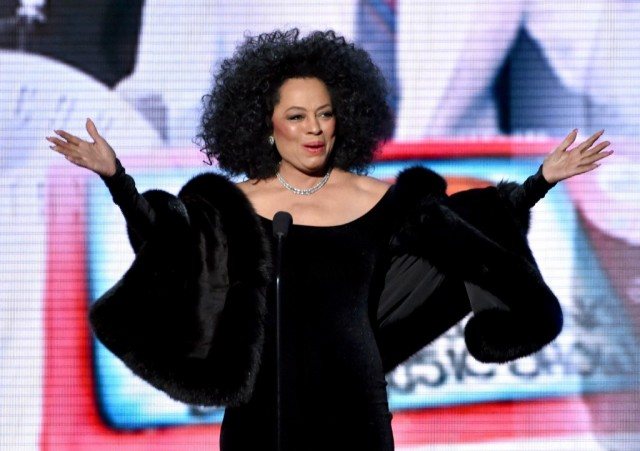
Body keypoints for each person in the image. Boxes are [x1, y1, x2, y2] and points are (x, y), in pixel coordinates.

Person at [47, 29, 612, 451]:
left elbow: (469, 226)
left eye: (325, 113)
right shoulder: (231, 206)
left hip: (356, 416)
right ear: (266, 124)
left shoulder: (379, 199)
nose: (314, 128)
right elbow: (167, 245)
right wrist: (116, 178)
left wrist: (540, 182)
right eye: (297, 116)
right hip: (260, 421)